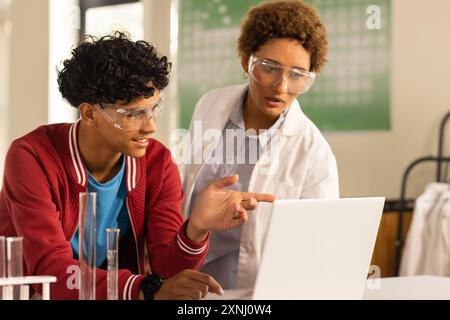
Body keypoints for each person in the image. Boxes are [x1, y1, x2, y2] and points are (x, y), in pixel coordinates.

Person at [0, 32, 275, 300]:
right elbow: (50, 270)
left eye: (154, 108)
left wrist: (196, 229)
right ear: (90, 113)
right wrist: (145, 288)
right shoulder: (31, 156)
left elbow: (168, 272)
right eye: (134, 114)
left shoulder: (157, 162)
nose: (151, 125)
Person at [182, 0, 339, 290]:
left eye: (297, 75)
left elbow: (318, 248)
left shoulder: (315, 154)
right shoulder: (209, 105)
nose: (281, 86)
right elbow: (185, 193)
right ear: (246, 60)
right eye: (269, 68)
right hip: (191, 283)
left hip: (258, 292)